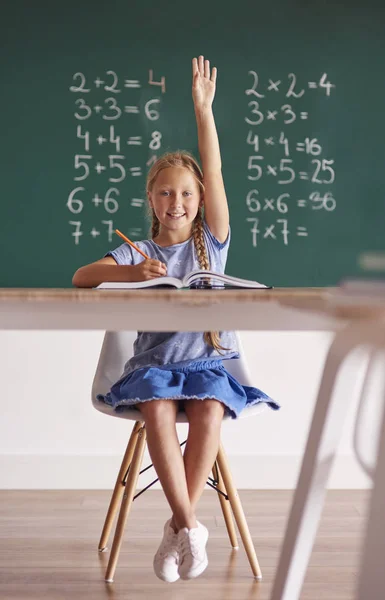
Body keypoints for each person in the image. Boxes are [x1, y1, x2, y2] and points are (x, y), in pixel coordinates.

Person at [73, 55, 279, 583]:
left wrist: (203, 111)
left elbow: (213, 169)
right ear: (151, 198)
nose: (176, 201)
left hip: (210, 363)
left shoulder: (212, 244)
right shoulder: (138, 251)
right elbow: (82, 277)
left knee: (210, 408)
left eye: (186, 193)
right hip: (156, 367)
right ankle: (190, 523)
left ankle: (176, 530)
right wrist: (133, 272)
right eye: (165, 192)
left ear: (201, 201)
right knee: (158, 407)